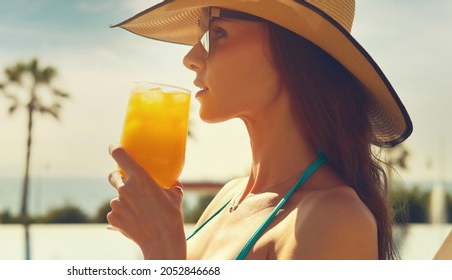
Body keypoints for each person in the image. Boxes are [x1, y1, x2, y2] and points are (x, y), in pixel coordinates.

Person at [106, 0, 412, 260]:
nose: (191, 59)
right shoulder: (228, 197)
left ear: (291, 54)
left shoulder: (338, 219)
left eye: (218, 33)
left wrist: (162, 249)